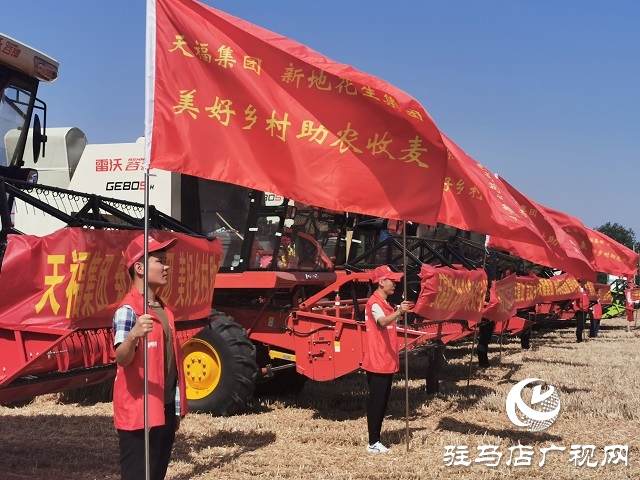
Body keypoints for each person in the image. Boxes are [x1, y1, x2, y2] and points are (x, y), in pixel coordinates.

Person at [112, 234, 188, 480]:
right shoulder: (128, 311)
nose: (167, 267)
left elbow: (171, 365)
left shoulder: (165, 310)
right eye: (160, 261)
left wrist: (174, 409)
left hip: (163, 409)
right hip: (139, 412)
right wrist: (133, 336)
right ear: (140, 267)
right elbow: (121, 358)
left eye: (166, 261)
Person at [362, 265, 413, 454]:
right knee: (377, 402)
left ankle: (375, 440)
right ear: (381, 282)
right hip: (378, 361)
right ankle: (373, 441)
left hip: (385, 360)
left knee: (382, 401)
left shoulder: (386, 304)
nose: (395, 283)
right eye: (392, 280)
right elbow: (381, 322)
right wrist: (399, 312)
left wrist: (399, 310)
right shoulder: (374, 303)